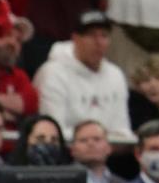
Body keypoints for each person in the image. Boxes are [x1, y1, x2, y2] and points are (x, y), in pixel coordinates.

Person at [33, 9, 135, 144]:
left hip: (109, 154)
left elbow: (122, 130)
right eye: (91, 35)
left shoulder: (115, 75)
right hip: (64, 156)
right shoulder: (52, 73)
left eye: (104, 36)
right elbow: (52, 130)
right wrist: (93, 141)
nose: (98, 42)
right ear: (75, 38)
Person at [70, 118, 123, 183]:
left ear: (109, 147)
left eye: (97, 139)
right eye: (83, 140)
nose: (90, 144)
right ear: (73, 150)